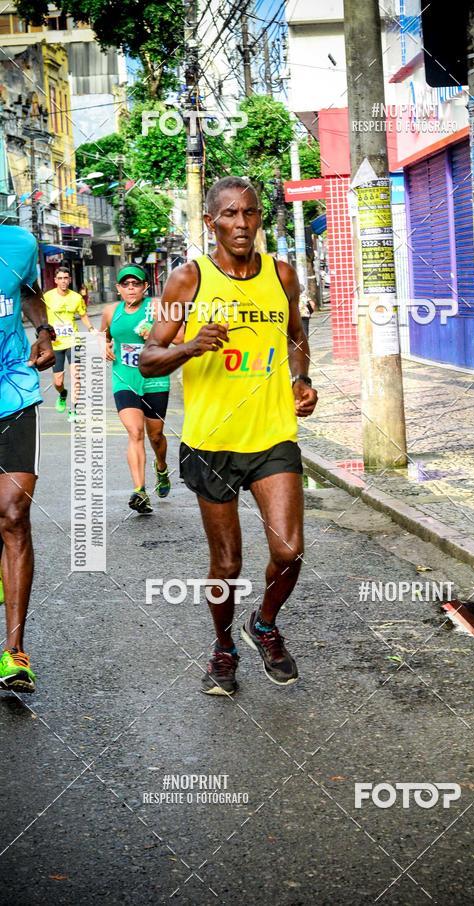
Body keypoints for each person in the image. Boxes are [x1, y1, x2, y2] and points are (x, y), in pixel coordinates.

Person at [140, 176, 318, 696]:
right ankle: (223, 647)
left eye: (251, 214)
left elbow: (295, 335)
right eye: (230, 215)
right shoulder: (187, 281)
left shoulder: (282, 275)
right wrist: (191, 346)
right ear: (211, 221)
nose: (242, 224)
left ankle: (263, 624)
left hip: (271, 436)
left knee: (289, 552)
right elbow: (150, 356)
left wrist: (301, 379)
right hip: (211, 441)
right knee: (228, 563)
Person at [0, 225, 55, 693]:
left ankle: (14, 651)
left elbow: (31, 294)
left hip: (13, 391)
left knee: (14, 515)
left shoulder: (21, 244)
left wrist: (43, 331)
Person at [101, 265, 173, 515]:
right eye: (126, 284)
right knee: (135, 432)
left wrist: (155, 333)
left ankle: (161, 467)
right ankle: (140, 491)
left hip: (155, 378)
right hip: (125, 379)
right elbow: (104, 336)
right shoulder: (111, 312)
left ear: (145, 287)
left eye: (136, 284)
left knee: (155, 436)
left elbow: (182, 337)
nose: (131, 288)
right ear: (119, 288)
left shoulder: (156, 308)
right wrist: (105, 345)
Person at [43, 266, 96, 421]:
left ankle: (74, 410)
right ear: (55, 281)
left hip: (73, 341)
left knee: (76, 376)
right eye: (60, 278)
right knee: (58, 381)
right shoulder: (47, 297)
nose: (63, 281)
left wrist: (91, 329)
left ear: (70, 280)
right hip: (56, 343)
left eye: (66, 278)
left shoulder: (76, 298)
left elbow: (83, 316)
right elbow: (41, 317)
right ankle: (62, 394)